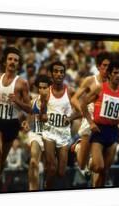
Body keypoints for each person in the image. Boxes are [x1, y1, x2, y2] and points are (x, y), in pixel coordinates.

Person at [0, 47, 31, 192]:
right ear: (5, 61)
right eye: (10, 59)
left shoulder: (22, 83)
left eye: (15, 60)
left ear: (18, 64)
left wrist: (17, 101)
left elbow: (29, 108)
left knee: (2, 161)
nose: (12, 62)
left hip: (11, 123)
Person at [82, 60, 119, 187]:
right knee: (98, 166)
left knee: (104, 171)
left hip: (113, 131)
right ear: (109, 74)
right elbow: (83, 104)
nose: (118, 76)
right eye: (115, 73)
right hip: (99, 130)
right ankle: (90, 163)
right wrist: (91, 122)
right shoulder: (99, 88)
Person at [70, 52, 111, 172]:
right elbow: (74, 98)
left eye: (109, 65)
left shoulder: (112, 83)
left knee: (100, 162)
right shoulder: (90, 80)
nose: (107, 68)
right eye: (104, 65)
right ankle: (78, 147)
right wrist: (83, 112)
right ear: (98, 66)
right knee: (82, 165)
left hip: (104, 120)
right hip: (90, 118)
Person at [42, 61, 79, 189]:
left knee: (61, 171)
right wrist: (43, 116)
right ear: (51, 74)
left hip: (63, 134)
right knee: (52, 167)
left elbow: (81, 111)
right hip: (50, 132)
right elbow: (41, 114)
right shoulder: (46, 93)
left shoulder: (71, 91)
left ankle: (51, 183)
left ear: (64, 74)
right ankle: (47, 188)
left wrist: (70, 118)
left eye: (61, 72)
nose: (59, 74)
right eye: (56, 71)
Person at [25, 75, 52, 191]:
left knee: (48, 168)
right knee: (33, 162)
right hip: (36, 134)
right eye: (40, 88)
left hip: (50, 136)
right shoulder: (33, 102)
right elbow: (29, 120)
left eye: (45, 88)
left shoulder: (54, 103)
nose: (42, 90)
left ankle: (45, 188)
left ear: (49, 88)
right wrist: (26, 123)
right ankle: (32, 190)